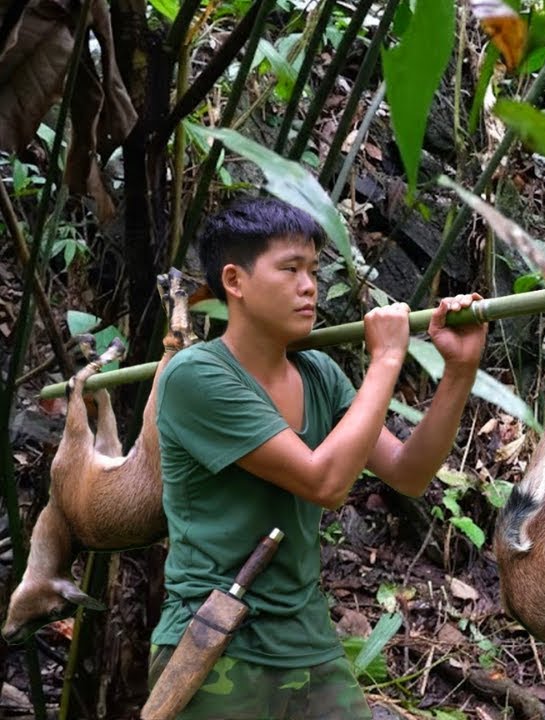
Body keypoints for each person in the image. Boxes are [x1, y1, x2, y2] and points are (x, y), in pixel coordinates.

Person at [146, 196, 488, 718]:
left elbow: (409, 472)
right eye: (290, 269)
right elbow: (324, 484)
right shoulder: (195, 377)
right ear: (234, 281)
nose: (310, 285)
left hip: (306, 638)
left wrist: (459, 373)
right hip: (218, 640)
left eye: (313, 269)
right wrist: (388, 358)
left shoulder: (319, 374)